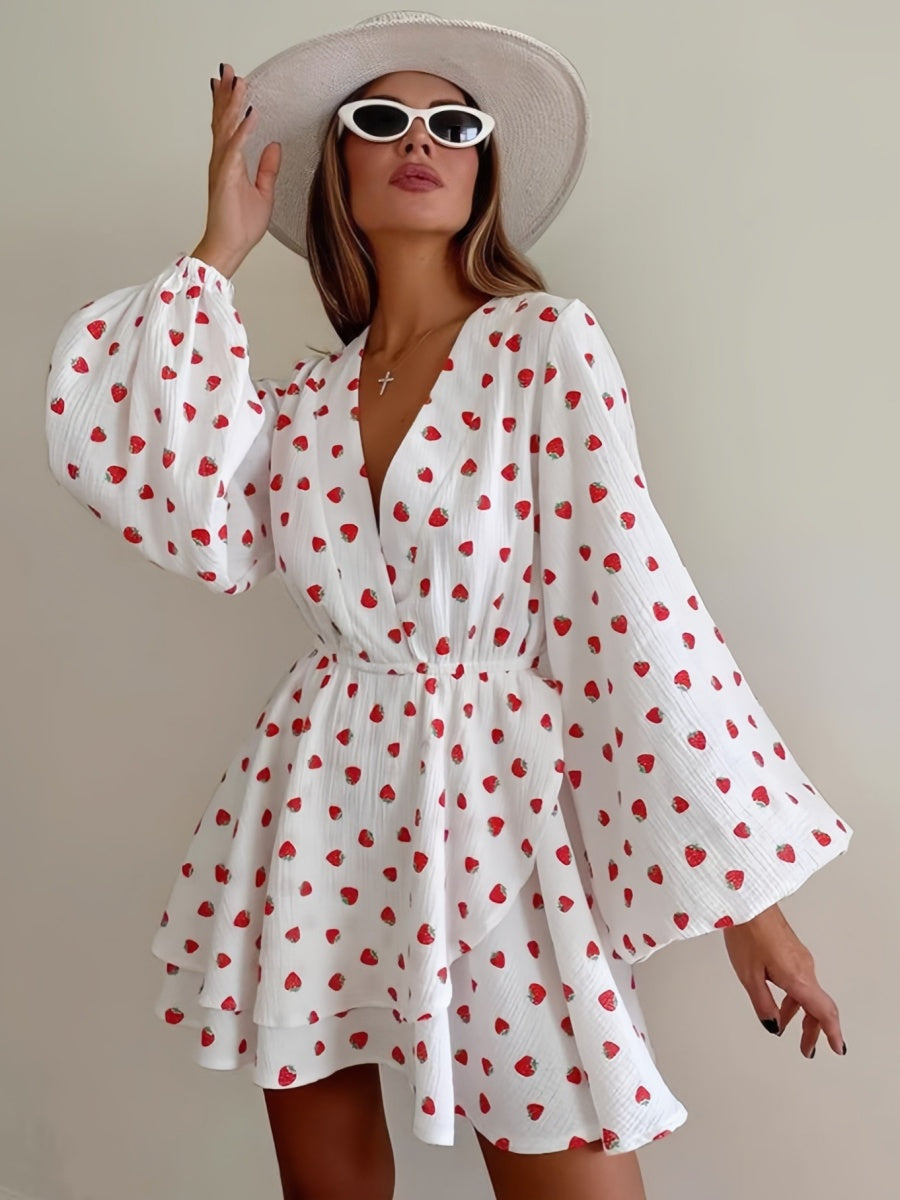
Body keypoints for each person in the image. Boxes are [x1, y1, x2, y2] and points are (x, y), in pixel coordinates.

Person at [43, 12, 853, 1200]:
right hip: (317, 810)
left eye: (454, 125)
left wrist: (751, 908)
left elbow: (632, 608)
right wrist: (216, 250)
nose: (420, 140)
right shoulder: (303, 402)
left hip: (495, 815)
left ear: (482, 171)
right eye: (382, 120)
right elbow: (163, 486)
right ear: (338, 170)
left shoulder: (545, 346)